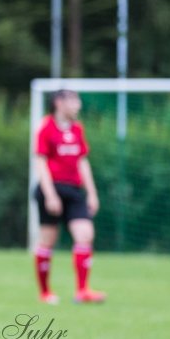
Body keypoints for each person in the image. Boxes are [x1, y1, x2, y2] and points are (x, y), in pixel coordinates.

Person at [32, 89, 105, 304]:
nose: (78, 105)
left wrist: (92, 192)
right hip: (52, 189)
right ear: (59, 102)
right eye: (74, 100)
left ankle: (83, 291)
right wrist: (50, 194)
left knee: (85, 234)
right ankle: (45, 293)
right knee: (48, 241)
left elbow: (82, 161)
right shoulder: (45, 127)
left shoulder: (77, 129)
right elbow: (40, 162)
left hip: (74, 191)